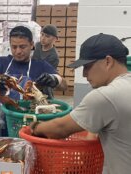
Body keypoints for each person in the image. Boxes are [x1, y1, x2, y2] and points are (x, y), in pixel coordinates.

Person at [30, 33, 131, 174]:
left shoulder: (105, 96)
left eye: (87, 66)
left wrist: (35, 128)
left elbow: (59, 129)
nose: (84, 74)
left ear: (108, 61)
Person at [0, 25, 67, 101]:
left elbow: (64, 85)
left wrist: (55, 79)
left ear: (31, 45)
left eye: (22, 47)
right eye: (14, 47)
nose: (18, 51)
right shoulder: (2, 62)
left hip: (31, 115)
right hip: (6, 115)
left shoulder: (41, 65)